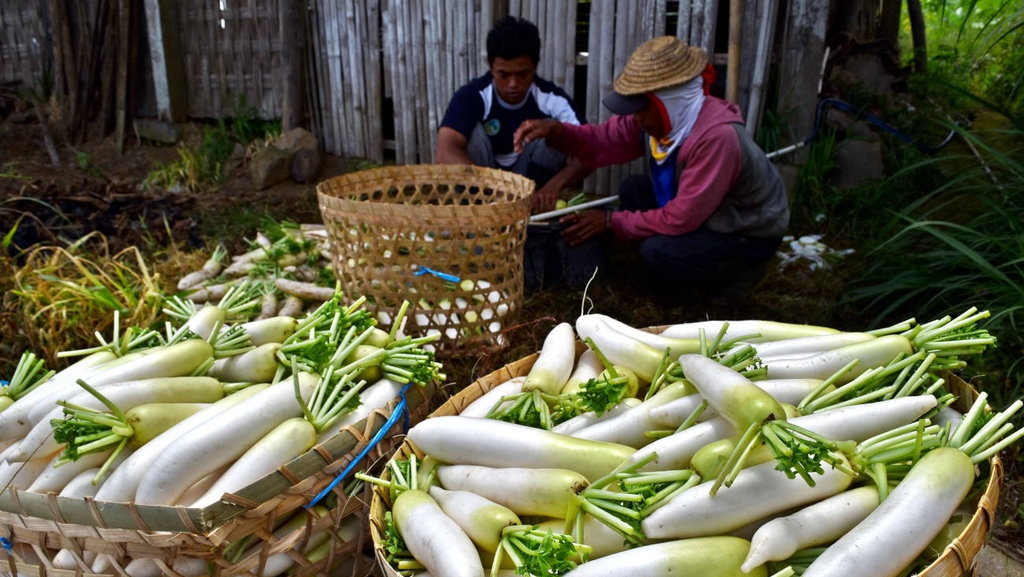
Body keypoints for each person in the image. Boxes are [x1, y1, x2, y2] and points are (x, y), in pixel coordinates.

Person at [513, 36, 790, 296]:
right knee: (633, 189)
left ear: (672, 101)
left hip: (743, 232)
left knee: (660, 252)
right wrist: (556, 131)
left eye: (643, 108)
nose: (636, 118)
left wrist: (610, 221)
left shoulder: (717, 138)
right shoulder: (662, 121)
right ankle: (666, 261)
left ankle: (731, 280)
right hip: (705, 210)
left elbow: (682, 217)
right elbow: (599, 142)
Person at [435, 16, 591, 214]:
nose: (513, 84)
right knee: (467, 132)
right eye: (504, 74)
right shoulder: (472, 95)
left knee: (555, 128)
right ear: (491, 67)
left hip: (533, 189)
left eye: (522, 74)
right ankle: (474, 209)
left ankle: (534, 207)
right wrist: (496, 191)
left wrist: (553, 187)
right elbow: (444, 152)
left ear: (535, 66)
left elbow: (591, 149)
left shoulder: (552, 99)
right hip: (483, 190)